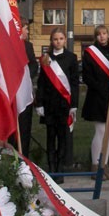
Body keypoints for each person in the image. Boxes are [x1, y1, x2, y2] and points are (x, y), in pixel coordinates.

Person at [35, 27, 79, 183]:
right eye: (55, 39)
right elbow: (41, 84)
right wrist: (39, 103)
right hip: (49, 104)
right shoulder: (46, 59)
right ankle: (51, 169)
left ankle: (60, 171)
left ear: (65, 40)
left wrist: (74, 105)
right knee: (50, 136)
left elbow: (74, 83)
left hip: (64, 105)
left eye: (61, 39)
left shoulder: (72, 58)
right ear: (51, 41)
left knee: (63, 137)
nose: (58, 41)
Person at [81, 25, 109, 179]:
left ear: (108, 35)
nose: (102, 37)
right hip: (96, 97)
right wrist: (102, 88)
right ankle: (95, 165)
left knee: (107, 132)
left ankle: (105, 165)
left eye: (104, 33)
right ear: (95, 37)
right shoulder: (90, 53)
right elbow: (87, 76)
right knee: (100, 131)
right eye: (99, 34)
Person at [17, 23, 38, 159]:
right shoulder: (7, 43)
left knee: (24, 129)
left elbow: (34, 65)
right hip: (12, 94)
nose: (28, 31)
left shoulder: (28, 46)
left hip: (24, 92)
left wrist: (25, 77)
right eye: (26, 28)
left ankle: (23, 158)